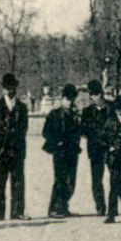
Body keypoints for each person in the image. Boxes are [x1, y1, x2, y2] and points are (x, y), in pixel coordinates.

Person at [0, 73, 29, 221]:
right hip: (0, 152)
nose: (9, 91)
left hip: (16, 151)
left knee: (18, 182)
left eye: (12, 88)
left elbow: (24, 129)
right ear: (2, 89)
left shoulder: (22, 108)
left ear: (16, 88)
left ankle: (17, 211)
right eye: (7, 88)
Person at [41, 84, 83, 217]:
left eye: (72, 99)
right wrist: (56, 141)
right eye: (68, 99)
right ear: (63, 99)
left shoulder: (74, 114)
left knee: (71, 181)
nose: (70, 102)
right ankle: (54, 208)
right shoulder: (54, 114)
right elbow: (46, 132)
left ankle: (63, 206)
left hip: (72, 151)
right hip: (59, 151)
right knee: (60, 180)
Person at [80, 80, 110, 215]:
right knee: (96, 180)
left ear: (102, 94)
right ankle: (100, 206)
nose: (94, 97)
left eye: (96, 94)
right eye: (91, 95)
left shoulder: (112, 109)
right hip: (95, 150)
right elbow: (83, 131)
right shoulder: (86, 112)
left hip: (111, 149)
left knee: (117, 177)